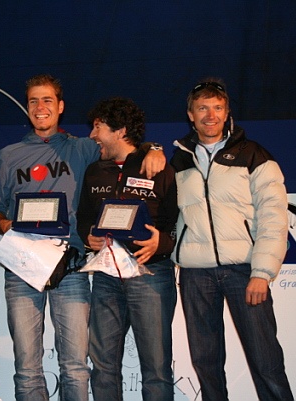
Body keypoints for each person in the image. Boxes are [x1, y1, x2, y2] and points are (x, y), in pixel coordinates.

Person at [0, 74, 165, 401]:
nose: (40, 107)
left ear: (60, 106)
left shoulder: (83, 148)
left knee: (75, 366)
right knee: (27, 368)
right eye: (33, 101)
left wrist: (152, 148)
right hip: (22, 265)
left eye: (47, 100)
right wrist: (4, 224)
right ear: (27, 107)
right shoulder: (7, 155)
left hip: (69, 265)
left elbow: (121, 143)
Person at [170, 79, 294, 401]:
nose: (210, 115)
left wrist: (262, 272)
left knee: (266, 361)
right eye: (202, 108)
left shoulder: (253, 154)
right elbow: (171, 214)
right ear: (191, 114)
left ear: (226, 113)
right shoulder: (180, 159)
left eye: (217, 108)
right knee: (206, 364)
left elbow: (273, 216)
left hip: (244, 271)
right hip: (196, 274)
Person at [77, 97, 178, 401]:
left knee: (156, 369)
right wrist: (88, 237)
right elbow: (84, 218)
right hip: (106, 277)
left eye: (98, 128)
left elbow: (179, 223)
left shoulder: (158, 167)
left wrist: (163, 242)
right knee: (102, 366)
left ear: (120, 131)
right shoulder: (94, 171)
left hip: (151, 274)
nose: (92, 135)